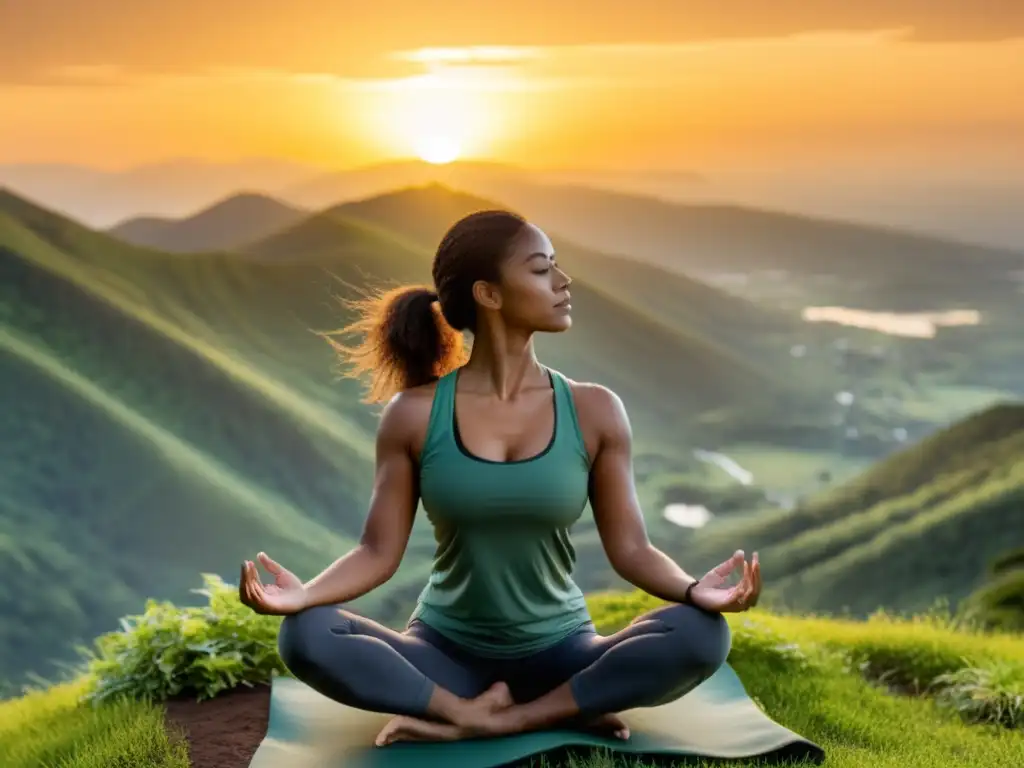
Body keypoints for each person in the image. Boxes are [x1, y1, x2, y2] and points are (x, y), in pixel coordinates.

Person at [238, 209, 762, 747]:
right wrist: (304, 597)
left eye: (556, 267)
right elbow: (377, 551)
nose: (563, 282)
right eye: (541, 270)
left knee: (700, 634)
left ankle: (501, 718)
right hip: (445, 652)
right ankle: (488, 709)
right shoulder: (414, 414)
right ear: (488, 294)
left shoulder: (595, 409)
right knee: (305, 635)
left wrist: (696, 591)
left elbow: (631, 549)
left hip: (563, 653)